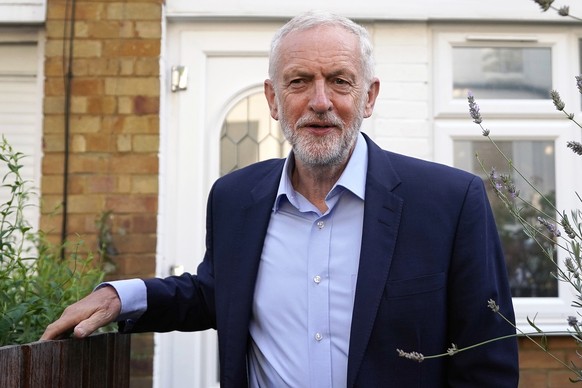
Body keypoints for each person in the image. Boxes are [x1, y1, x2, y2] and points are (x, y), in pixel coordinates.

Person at [42, 11, 519, 387]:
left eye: (339, 79)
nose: (320, 101)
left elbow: (487, 365)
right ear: (272, 100)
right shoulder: (235, 199)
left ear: (369, 96)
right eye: (298, 81)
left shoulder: (450, 202)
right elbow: (216, 293)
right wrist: (121, 296)